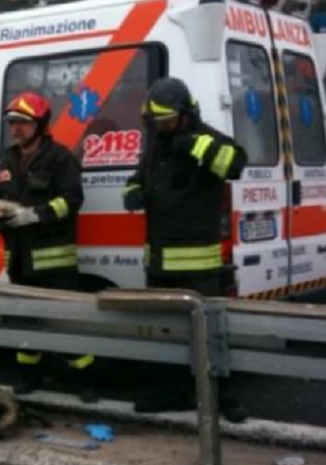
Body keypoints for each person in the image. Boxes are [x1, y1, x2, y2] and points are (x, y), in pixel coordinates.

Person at [123, 77, 247, 422]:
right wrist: (133, 191)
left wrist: (195, 146)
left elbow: (235, 164)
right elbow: (139, 177)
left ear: (185, 114)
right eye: (155, 122)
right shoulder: (155, 145)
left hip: (199, 268)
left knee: (208, 336)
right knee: (164, 336)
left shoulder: (205, 138)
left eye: (166, 121)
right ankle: (170, 393)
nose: (161, 128)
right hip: (159, 264)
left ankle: (225, 398)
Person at [0, 92, 94, 397]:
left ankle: (84, 381)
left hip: (54, 262)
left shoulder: (61, 157)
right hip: (19, 259)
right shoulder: (8, 159)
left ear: (41, 124)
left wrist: (37, 215)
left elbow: (73, 200)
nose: (16, 128)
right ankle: (30, 377)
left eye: (23, 122)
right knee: (25, 322)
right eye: (12, 123)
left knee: (66, 323)